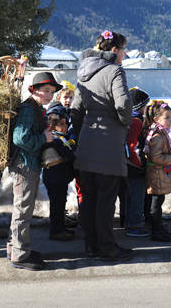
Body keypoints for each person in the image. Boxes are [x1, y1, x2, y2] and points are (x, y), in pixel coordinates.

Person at [70, 30, 133, 262]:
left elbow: (75, 110)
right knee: (106, 200)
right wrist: (124, 121)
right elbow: (124, 104)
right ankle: (107, 247)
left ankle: (91, 244)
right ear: (114, 50)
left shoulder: (83, 72)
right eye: (124, 50)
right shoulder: (114, 71)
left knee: (89, 198)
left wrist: (82, 133)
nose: (124, 55)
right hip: (108, 144)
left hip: (87, 141)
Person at [7, 72, 60, 271]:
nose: (50, 95)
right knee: (23, 209)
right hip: (24, 165)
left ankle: (16, 249)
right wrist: (43, 139)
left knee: (22, 209)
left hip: (27, 164)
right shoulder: (29, 109)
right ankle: (20, 255)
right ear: (34, 90)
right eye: (46, 90)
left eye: (52, 92)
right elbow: (20, 138)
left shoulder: (35, 107)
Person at [143, 100, 171, 242]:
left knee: (159, 201)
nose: (170, 121)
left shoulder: (161, 133)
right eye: (167, 118)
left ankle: (159, 229)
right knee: (155, 204)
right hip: (156, 174)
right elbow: (156, 157)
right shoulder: (157, 136)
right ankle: (156, 231)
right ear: (157, 119)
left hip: (159, 173)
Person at [42, 102, 76, 241]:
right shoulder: (55, 139)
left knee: (60, 204)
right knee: (57, 205)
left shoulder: (60, 138)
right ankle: (56, 231)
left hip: (59, 179)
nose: (66, 127)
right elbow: (67, 154)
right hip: (55, 179)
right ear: (54, 125)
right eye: (63, 124)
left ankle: (60, 227)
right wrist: (73, 154)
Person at [124, 87, 151, 238]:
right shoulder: (136, 122)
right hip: (134, 166)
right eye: (146, 104)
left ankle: (130, 223)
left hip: (129, 164)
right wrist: (139, 164)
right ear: (140, 106)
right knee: (136, 196)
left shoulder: (129, 119)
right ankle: (133, 226)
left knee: (131, 195)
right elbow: (133, 146)